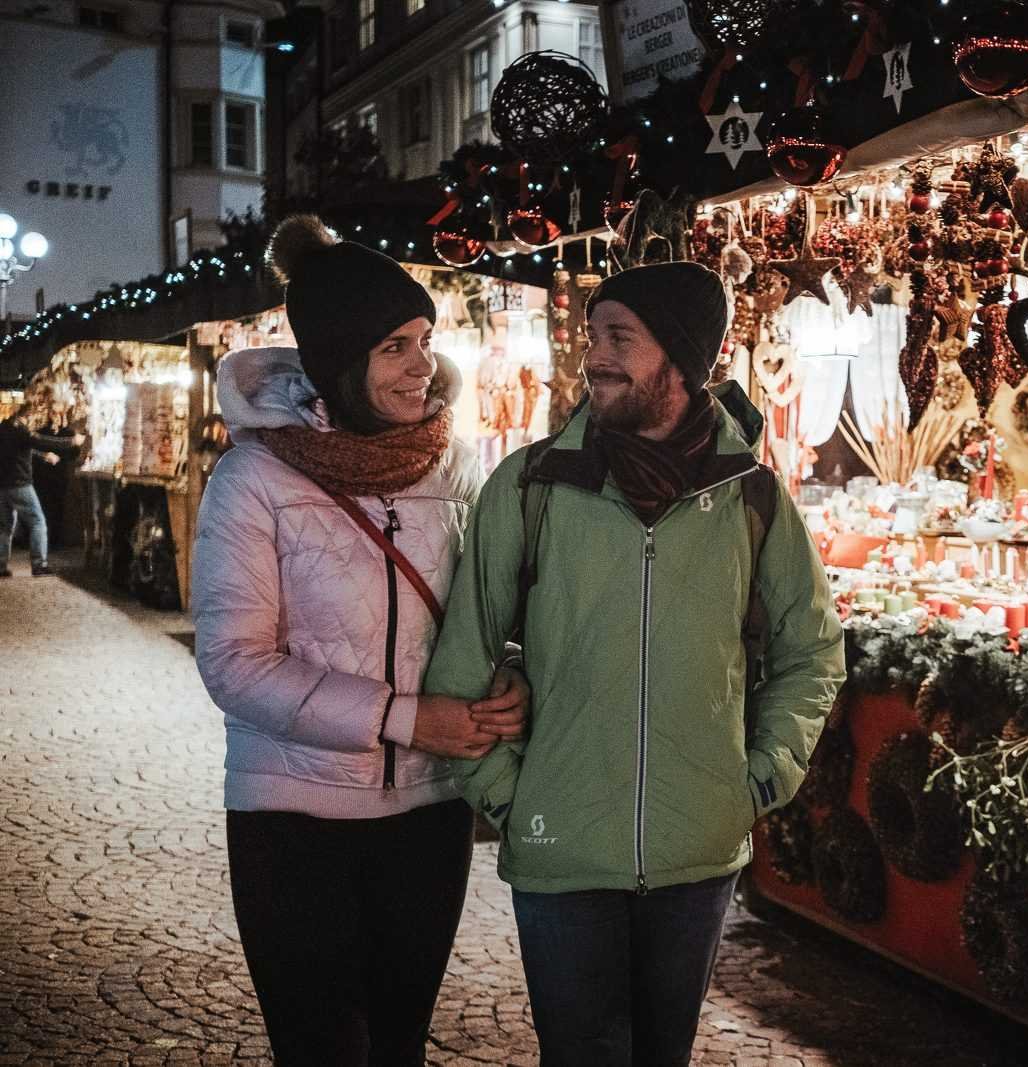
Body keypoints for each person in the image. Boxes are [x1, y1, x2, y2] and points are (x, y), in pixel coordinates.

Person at [425, 261, 844, 1066]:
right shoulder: (531, 485)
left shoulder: (752, 497)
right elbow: (463, 657)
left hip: (697, 850)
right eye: (593, 335)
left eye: (620, 336)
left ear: (683, 362)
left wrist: (758, 778)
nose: (596, 356)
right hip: (560, 846)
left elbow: (812, 647)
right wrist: (510, 794)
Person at [189, 215, 530, 1066]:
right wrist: (406, 718)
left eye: (423, 339)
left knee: (400, 1046)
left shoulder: (452, 470)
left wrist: (507, 676)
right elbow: (234, 663)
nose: (423, 365)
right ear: (342, 361)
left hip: (427, 815)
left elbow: (483, 618)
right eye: (393, 348)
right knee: (322, 1049)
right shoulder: (253, 478)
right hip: (293, 817)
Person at [0, 403, 80, 577]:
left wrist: (43, 455)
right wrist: (71, 441)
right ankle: (39, 564)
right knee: (38, 521)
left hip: (3, 486)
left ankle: (1, 566)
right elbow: (40, 441)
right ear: (29, 415)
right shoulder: (20, 429)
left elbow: (25, 447)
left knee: (4, 527)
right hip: (20, 483)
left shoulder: (4, 428)